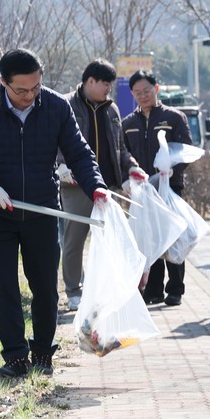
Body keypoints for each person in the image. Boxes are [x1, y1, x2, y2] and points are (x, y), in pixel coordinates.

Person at [0, 48, 109, 378]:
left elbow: (79, 154)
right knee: (5, 286)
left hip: (42, 210)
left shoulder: (56, 107)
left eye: (36, 87)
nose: (30, 96)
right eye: (21, 90)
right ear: (3, 82)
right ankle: (15, 357)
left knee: (45, 286)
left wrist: (97, 188)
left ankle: (44, 353)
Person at [57, 59, 146, 312]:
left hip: (107, 187)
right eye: (105, 84)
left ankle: (109, 289)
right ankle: (74, 291)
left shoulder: (112, 109)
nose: (108, 88)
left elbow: (120, 148)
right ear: (90, 81)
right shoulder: (65, 104)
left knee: (111, 239)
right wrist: (61, 166)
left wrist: (131, 168)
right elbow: (54, 141)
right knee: (74, 239)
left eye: (110, 84)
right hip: (75, 184)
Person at [122, 69, 193, 307]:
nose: (143, 96)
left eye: (147, 91)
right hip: (141, 190)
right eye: (138, 92)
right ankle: (153, 290)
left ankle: (175, 289)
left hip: (169, 188)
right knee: (148, 239)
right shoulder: (128, 123)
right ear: (132, 94)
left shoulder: (174, 118)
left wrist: (174, 169)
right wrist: (126, 179)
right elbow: (122, 155)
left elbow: (185, 149)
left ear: (157, 89)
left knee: (172, 237)